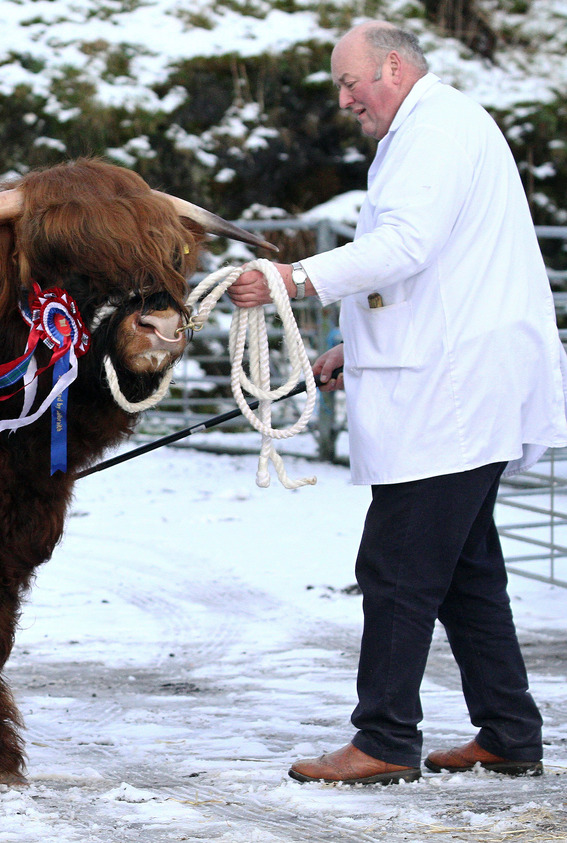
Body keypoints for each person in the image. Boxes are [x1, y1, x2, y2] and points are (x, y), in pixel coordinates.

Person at [228, 20, 567, 784]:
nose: (345, 99)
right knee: (465, 571)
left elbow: (407, 244)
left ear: (391, 65)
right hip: (452, 375)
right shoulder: (430, 127)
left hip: (454, 389)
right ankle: (509, 730)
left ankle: (382, 738)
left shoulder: (436, 129)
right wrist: (362, 344)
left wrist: (293, 279)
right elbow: (435, 268)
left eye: (350, 82)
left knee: (395, 566)